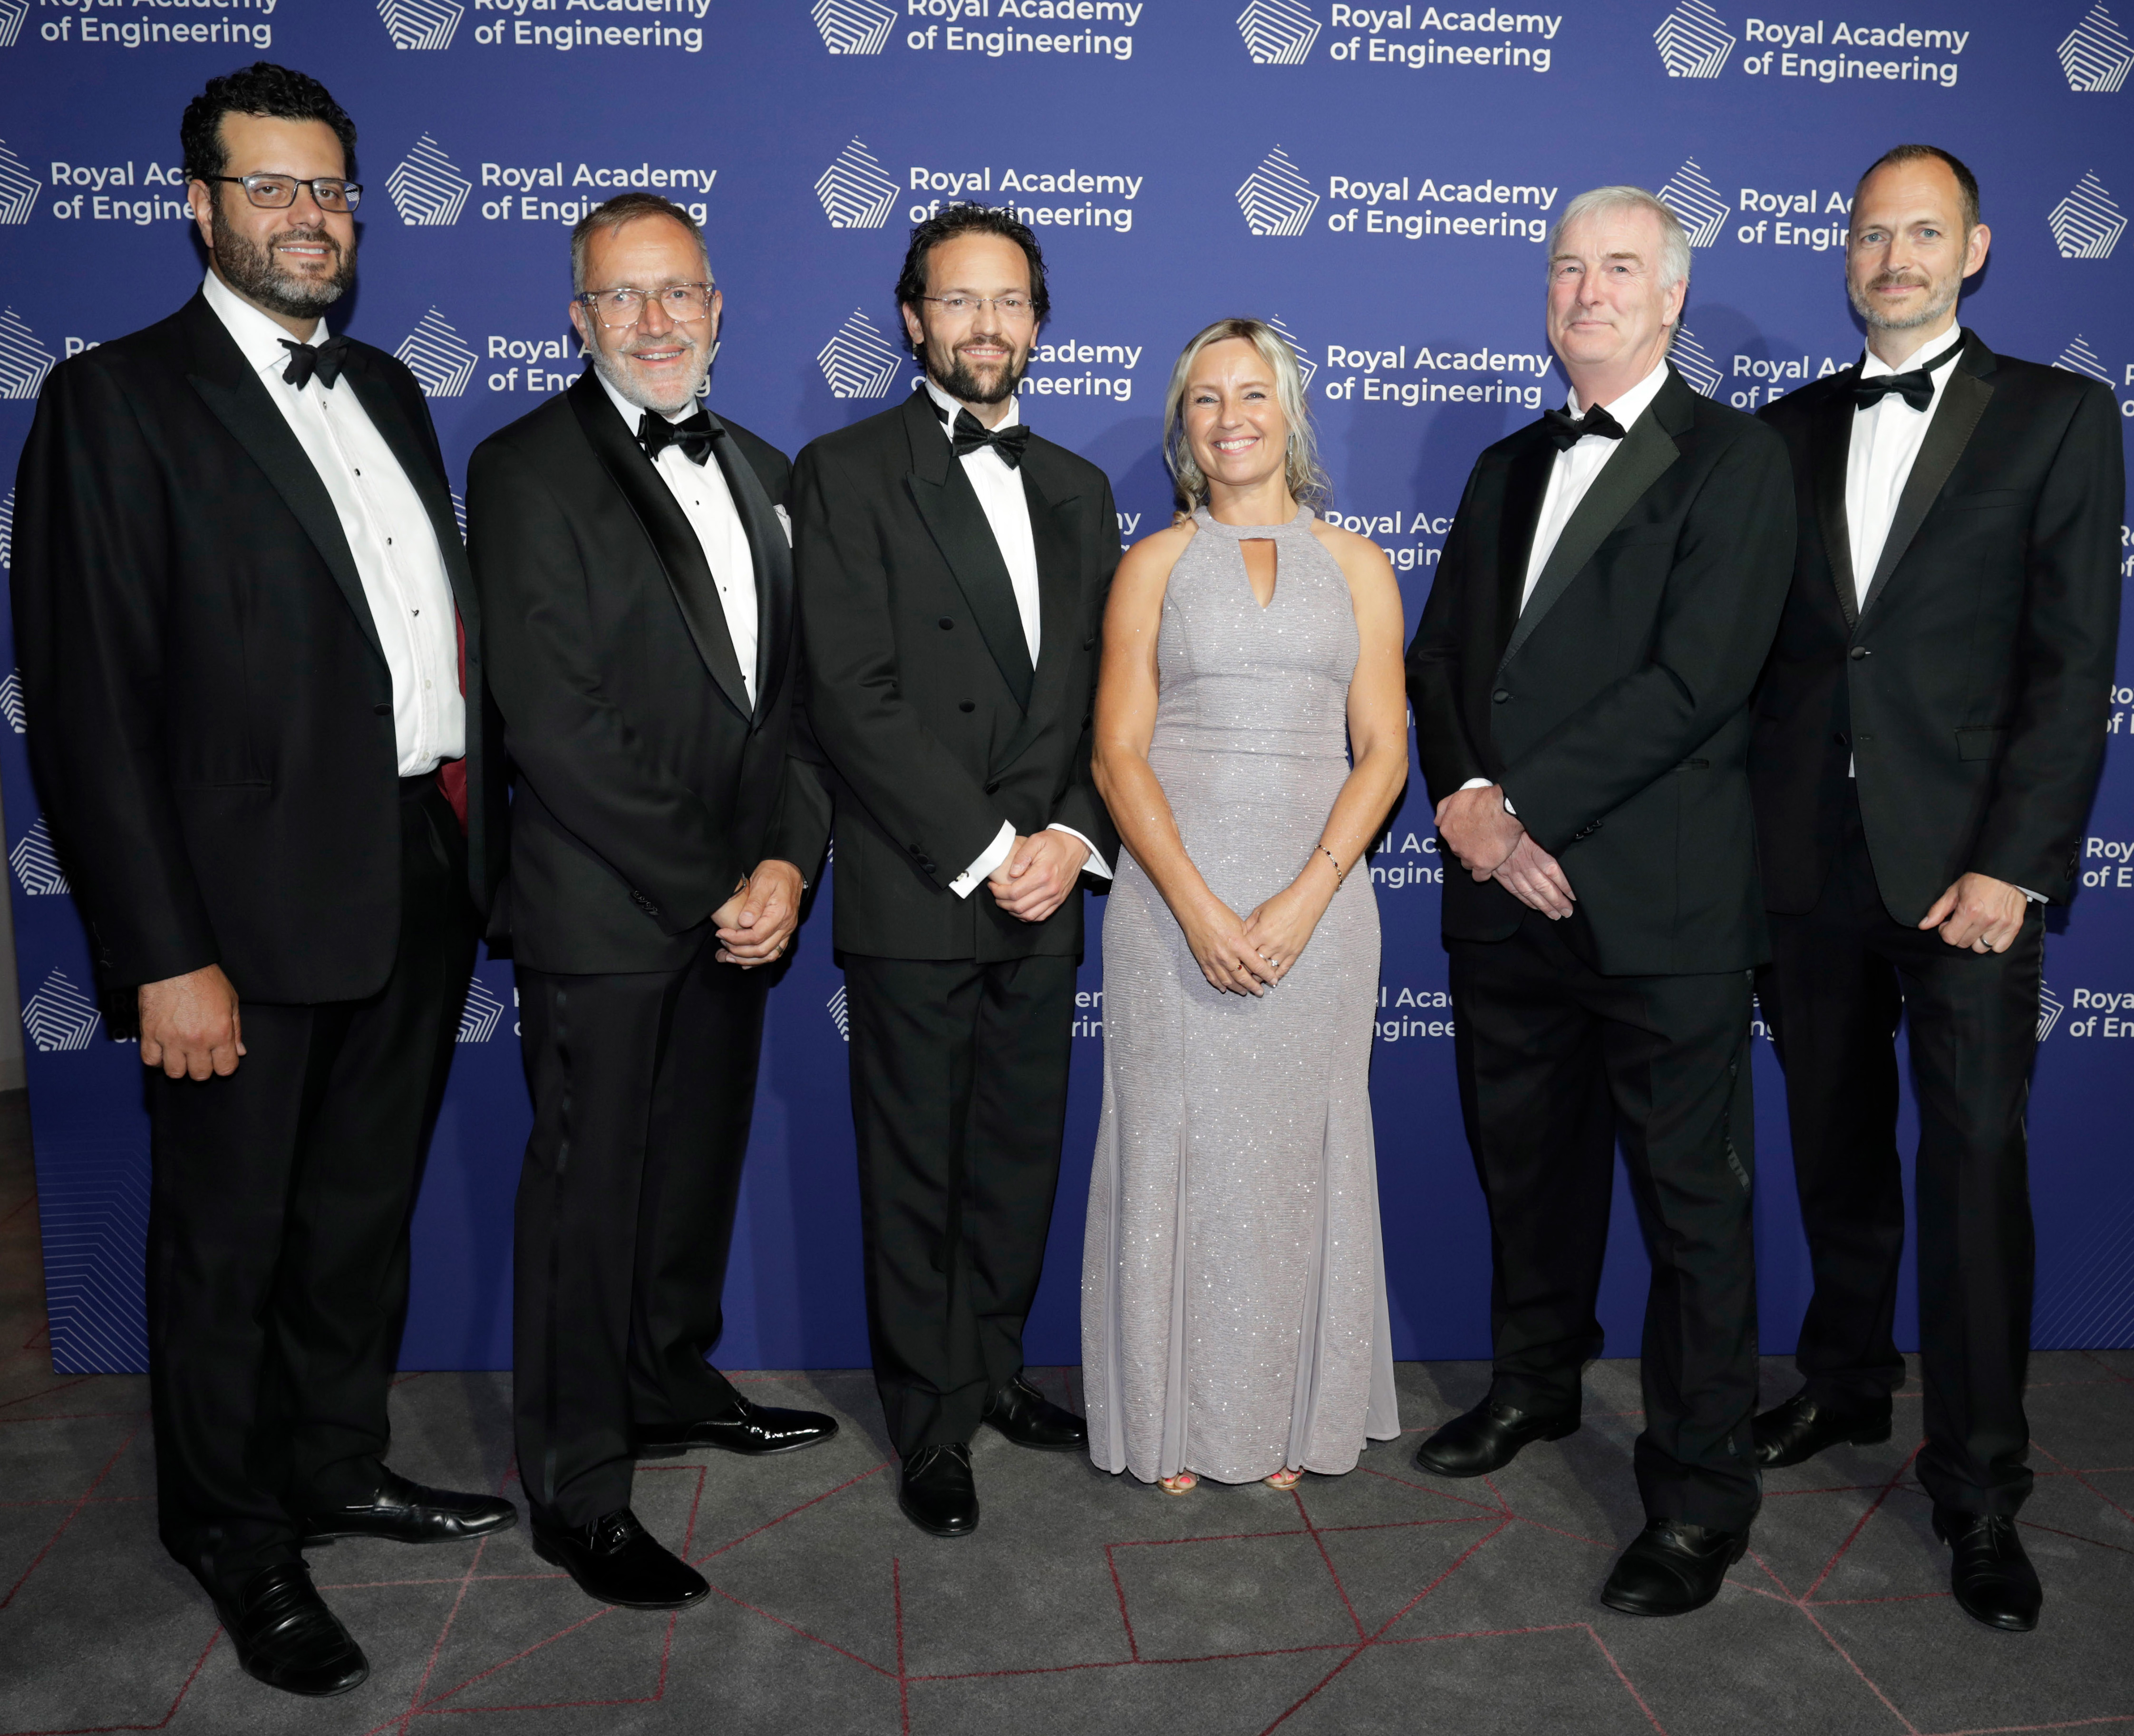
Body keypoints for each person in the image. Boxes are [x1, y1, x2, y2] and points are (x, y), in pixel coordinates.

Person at [9, 63, 511, 1696]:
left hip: (411, 873)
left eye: (331, 189)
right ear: (200, 205)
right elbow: (89, 713)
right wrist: (161, 954)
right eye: (274, 188)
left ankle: (332, 1460)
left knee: (354, 1219)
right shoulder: (115, 400)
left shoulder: (388, 387)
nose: (311, 217)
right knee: (228, 1237)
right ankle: (231, 1529)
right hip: (232, 913)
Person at [1405, 186, 1795, 1618]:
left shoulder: (1737, 462)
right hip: (1506, 903)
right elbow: (1440, 657)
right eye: (1567, 267)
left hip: (1662, 911)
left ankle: (1698, 1499)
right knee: (1530, 1171)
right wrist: (1462, 801)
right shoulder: (1507, 462)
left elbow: (1699, 681)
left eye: (1621, 268)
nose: (1589, 290)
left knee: (1695, 1218)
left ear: (1674, 295)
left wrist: (1522, 809)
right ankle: (1534, 1386)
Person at [1749, 145, 2123, 1635]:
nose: (1893, 254)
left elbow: (2070, 662)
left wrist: (2015, 867)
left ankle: (1980, 1484)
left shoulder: (2059, 415)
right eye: (1870, 232)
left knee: (1970, 1176)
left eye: (1924, 232)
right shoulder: (1777, 431)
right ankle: (1845, 1385)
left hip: (1970, 873)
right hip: (1803, 866)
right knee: (1833, 1147)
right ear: (1844, 254)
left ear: (1976, 251)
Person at [467, 193, 837, 1610]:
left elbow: (797, 709)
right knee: (586, 1196)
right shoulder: (523, 469)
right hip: (610, 905)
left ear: (720, 304)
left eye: (678, 290)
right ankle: (578, 1486)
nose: (657, 319)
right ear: (579, 319)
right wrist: (710, 882)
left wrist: (788, 865)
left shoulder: (765, 466)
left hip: (745, 904)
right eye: (623, 297)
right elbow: (554, 718)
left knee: (689, 1170)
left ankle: (671, 1380)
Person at [791, 206, 1120, 1538]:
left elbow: (1109, 701)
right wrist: (992, 851)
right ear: (913, 317)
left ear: (1038, 322)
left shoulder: (1083, 491)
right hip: (924, 886)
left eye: (1010, 303)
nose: (986, 326)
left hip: (1048, 883)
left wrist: (1072, 838)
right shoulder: (847, 469)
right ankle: (930, 1421)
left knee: (1015, 1157)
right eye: (958, 302)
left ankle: (989, 1370)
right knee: (916, 1169)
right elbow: (852, 698)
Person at [1080, 320, 1407, 1494]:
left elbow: (1382, 751)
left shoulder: (1361, 565)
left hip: (1322, 905)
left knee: (1297, 1156)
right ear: (1185, 425)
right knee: (1182, 1147)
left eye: (1252, 393)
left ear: (1290, 412)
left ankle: (1290, 1416)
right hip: (1173, 902)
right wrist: (1201, 908)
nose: (1232, 418)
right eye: (1207, 398)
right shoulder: (1153, 566)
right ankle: (1177, 1418)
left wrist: (1308, 890)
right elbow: (1119, 756)